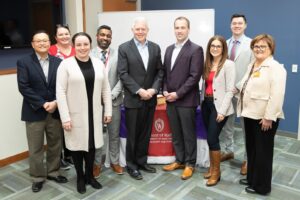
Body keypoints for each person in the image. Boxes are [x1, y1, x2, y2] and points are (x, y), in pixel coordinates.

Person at [56, 32, 112, 194]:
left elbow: (106, 89)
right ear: (74, 46)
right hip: (74, 115)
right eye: (79, 44)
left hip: (94, 113)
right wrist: (65, 117)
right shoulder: (66, 65)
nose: (82, 48)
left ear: (90, 45)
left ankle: (90, 176)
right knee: (76, 147)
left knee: (92, 146)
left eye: (85, 44)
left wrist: (108, 110)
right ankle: (80, 177)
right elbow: (60, 92)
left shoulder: (98, 63)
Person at [17, 30, 68, 193]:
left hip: (54, 110)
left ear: (49, 43)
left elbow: (62, 86)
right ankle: (38, 177)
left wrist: (54, 103)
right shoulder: (24, 62)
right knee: (36, 147)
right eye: (38, 41)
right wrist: (42, 103)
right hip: (34, 111)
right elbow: (24, 87)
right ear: (32, 44)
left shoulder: (58, 62)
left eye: (45, 40)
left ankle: (53, 172)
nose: (42, 43)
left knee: (55, 144)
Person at [237, 34, 286, 195]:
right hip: (250, 113)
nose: (258, 49)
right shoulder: (253, 64)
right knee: (252, 150)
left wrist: (269, 117)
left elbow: (277, 95)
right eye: (256, 46)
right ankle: (252, 178)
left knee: (263, 152)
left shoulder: (275, 67)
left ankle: (262, 186)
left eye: (262, 46)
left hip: (264, 118)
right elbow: (243, 83)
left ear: (271, 49)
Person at [117, 17, 164, 180]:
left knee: (145, 133)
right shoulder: (124, 48)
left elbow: (160, 72)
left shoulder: (155, 48)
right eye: (137, 29)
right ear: (132, 30)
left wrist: (153, 89)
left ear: (147, 30)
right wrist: (138, 90)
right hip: (133, 99)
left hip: (150, 98)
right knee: (133, 135)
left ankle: (142, 161)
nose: (140, 31)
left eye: (143, 29)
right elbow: (123, 73)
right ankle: (131, 165)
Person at [162, 16, 203, 180]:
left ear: (188, 29)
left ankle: (190, 163)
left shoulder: (196, 49)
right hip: (170, 100)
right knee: (176, 133)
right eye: (177, 27)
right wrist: (165, 90)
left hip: (186, 101)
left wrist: (177, 94)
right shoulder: (169, 49)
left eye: (182, 27)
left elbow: (194, 77)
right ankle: (179, 160)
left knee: (188, 134)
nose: (179, 30)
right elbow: (165, 73)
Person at [221, 14, 253, 176]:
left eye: (240, 23)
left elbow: (253, 69)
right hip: (227, 92)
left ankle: (248, 159)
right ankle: (229, 150)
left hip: (243, 92)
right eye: (234, 23)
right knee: (227, 123)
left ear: (245, 25)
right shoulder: (224, 44)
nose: (237, 25)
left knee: (246, 127)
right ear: (230, 25)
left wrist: (239, 87)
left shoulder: (251, 44)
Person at [201, 35, 235, 186]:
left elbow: (230, 90)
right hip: (206, 104)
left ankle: (216, 172)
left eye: (218, 46)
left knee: (212, 138)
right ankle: (212, 167)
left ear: (223, 49)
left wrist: (222, 111)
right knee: (210, 137)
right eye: (212, 46)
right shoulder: (207, 64)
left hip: (219, 107)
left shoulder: (229, 64)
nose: (215, 48)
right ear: (209, 48)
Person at [91, 25, 123, 177]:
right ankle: (97, 163)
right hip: (95, 103)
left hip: (114, 100)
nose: (105, 38)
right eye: (102, 35)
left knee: (114, 134)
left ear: (111, 38)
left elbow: (122, 77)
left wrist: (110, 96)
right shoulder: (89, 54)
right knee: (97, 134)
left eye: (108, 36)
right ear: (97, 36)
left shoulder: (119, 54)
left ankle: (115, 162)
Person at [48, 24, 75, 170]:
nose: (64, 37)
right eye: (61, 34)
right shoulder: (51, 50)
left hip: (74, 95)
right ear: (55, 37)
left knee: (70, 126)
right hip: (56, 94)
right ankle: (58, 158)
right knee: (57, 128)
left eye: (66, 34)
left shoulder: (76, 50)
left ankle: (69, 155)